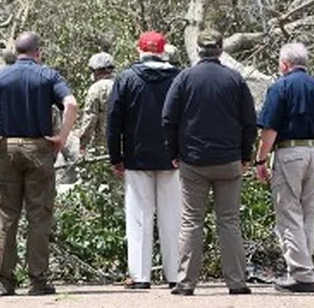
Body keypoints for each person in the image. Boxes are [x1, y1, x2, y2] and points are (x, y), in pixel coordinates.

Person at [0, 32, 79, 296]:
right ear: (38, 52)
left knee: (7, 215)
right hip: (40, 148)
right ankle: (37, 280)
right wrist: (61, 137)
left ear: (16, 52)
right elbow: (71, 104)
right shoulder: (48, 75)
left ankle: (6, 282)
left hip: (8, 148)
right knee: (39, 215)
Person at [162, 29, 257, 296]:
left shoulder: (184, 78)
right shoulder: (235, 79)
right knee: (229, 221)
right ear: (220, 49)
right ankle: (237, 282)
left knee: (191, 220)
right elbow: (249, 121)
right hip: (229, 160)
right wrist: (245, 154)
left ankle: (185, 283)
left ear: (199, 49)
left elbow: (168, 119)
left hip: (193, 160)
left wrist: (174, 151)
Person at [253, 43, 314, 293]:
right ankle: (303, 268)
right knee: (308, 214)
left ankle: (302, 275)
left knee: (289, 213)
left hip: (290, 153)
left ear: (284, 64)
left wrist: (261, 159)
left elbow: (270, 128)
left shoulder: (280, 87)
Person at [106, 32, 182, 290]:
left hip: (137, 157)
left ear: (140, 50)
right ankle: (175, 275)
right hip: (174, 158)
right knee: (173, 218)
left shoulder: (127, 78)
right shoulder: (178, 77)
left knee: (139, 217)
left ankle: (140, 276)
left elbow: (113, 120)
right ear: (163, 51)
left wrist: (115, 156)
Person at [74, 52, 115, 157]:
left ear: (96, 71)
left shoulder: (96, 89)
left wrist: (82, 144)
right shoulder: (122, 84)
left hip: (104, 145)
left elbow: (90, 119)